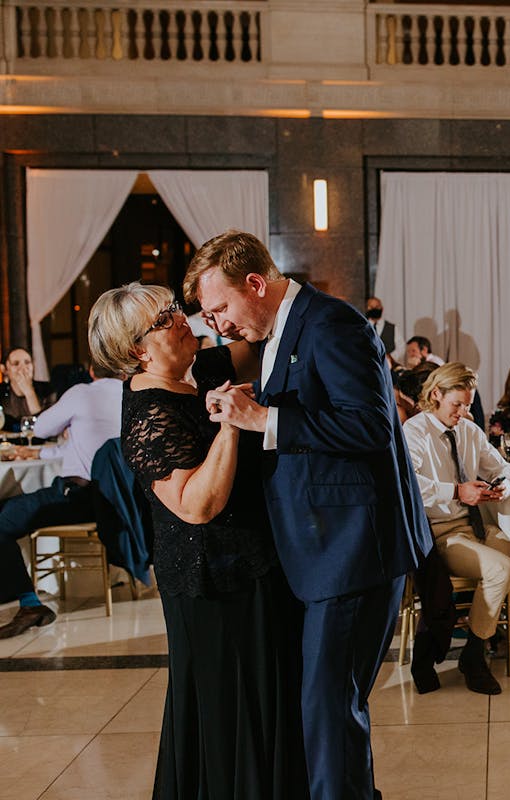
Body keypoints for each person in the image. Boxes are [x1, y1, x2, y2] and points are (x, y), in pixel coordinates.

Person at [187, 230, 433, 800]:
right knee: (327, 712)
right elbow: (314, 403)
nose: (217, 326)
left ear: (255, 282)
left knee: (329, 713)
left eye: (220, 309)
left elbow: (372, 426)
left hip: (352, 551)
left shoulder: (331, 323)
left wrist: (264, 422)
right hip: (323, 551)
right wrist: (249, 405)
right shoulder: (281, 329)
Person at [88, 282, 307, 799]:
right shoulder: (146, 413)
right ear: (136, 350)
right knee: (231, 711)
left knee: (269, 702)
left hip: (255, 565)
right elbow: (197, 506)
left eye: (172, 309)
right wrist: (232, 424)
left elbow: (260, 340)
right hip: (212, 582)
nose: (180, 319)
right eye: (163, 320)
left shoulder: (200, 370)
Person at [405, 363, 510, 695]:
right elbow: (408, 486)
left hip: (476, 526)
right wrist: (457, 491)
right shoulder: (414, 432)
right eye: (457, 404)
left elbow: (505, 468)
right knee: (501, 568)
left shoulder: (469, 431)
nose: (464, 411)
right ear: (436, 395)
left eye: (468, 404)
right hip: (441, 532)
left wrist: (503, 487)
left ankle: (477, 645)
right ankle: (474, 655)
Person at [0, 364, 121, 638]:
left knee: (2, 520)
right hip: (114, 500)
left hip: (76, 497)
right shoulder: (130, 393)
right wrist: (36, 456)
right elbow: (77, 447)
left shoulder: (81, 393)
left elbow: (40, 427)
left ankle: (29, 604)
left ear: (91, 371)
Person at [0, 348, 55, 432]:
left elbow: (47, 426)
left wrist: (29, 392)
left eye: (27, 362)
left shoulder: (48, 389)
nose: (23, 368)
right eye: (16, 364)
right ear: (4, 369)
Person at [365, 296, 400, 366]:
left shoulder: (392, 328)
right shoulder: (362, 327)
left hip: (388, 367)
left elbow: (401, 347)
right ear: (366, 309)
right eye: (371, 307)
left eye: (377, 306)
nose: (374, 309)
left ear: (382, 308)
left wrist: (389, 357)